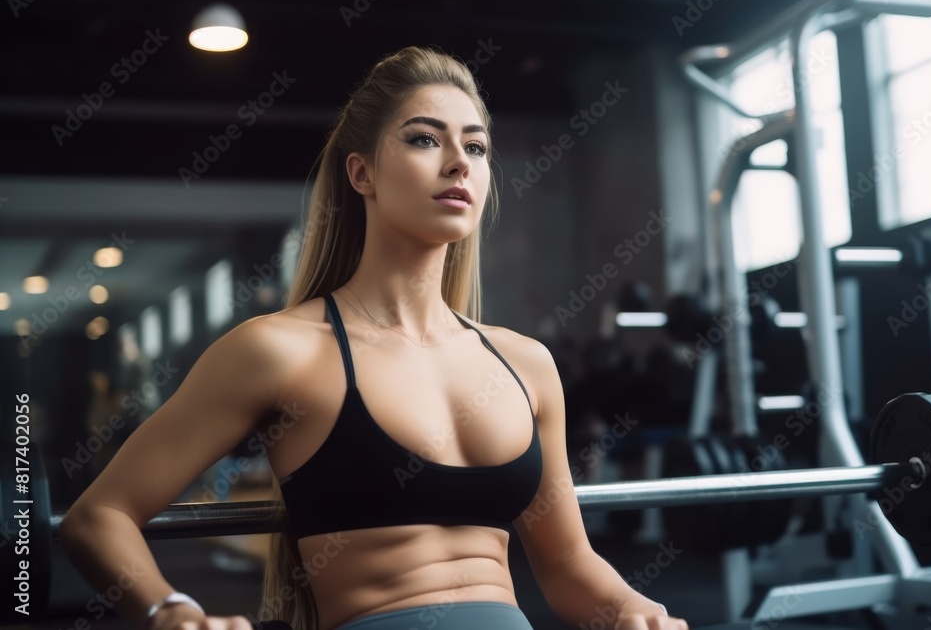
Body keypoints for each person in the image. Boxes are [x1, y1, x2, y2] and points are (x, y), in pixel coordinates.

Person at [60, 46, 689, 630]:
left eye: (476, 148)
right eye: (424, 139)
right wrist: (172, 609)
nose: (457, 164)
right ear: (361, 173)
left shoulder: (526, 364)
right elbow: (97, 516)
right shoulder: (280, 350)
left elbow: (568, 568)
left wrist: (633, 608)